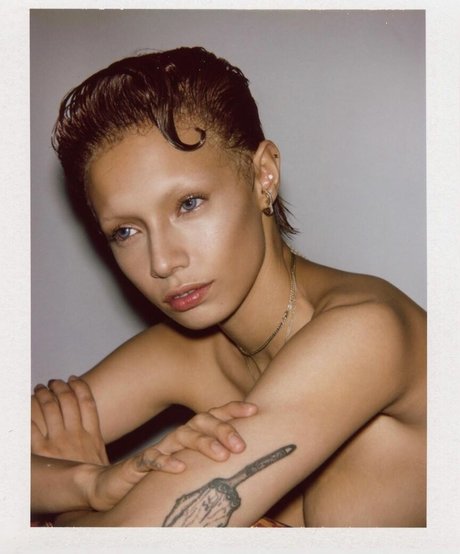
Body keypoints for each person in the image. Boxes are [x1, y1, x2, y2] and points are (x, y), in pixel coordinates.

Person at [31, 46, 426, 527]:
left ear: (264, 175)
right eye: (126, 231)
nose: (162, 261)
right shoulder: (183, 352)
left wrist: (70, 512)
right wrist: (87, 483)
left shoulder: (365, 334)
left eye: (189, 203)